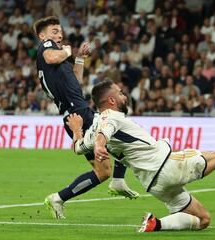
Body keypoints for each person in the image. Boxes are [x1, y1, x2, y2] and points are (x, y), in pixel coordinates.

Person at [65, 78, 215, 232]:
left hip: (154, 185)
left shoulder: (92, 130)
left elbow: (77, 148)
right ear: (111, 101)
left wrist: (77, 131)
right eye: (120, 93)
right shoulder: (110, 117)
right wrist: (100, 145)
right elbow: (105, 130)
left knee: (203, 220)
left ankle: (156, 224)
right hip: (167, 166)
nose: (124, 96)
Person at [33, 16, 139, 219]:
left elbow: (76, 81)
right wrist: (67, 50)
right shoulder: (48, 49)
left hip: (76, 111)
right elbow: (51, 57)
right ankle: (118, 180)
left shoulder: (58, 60)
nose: (59, 34)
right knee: (120, 132)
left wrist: (79, 57)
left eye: (60, 31)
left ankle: (58, 198)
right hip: (78, 113)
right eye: (54, 31)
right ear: (42, 36)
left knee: (102, 171)